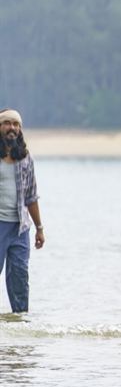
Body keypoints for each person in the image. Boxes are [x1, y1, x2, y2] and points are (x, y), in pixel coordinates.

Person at [0, 109, 45, 314]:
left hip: (20, 229)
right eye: (7, 123)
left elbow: (31, 196)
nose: (12, 128)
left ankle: (20, 330)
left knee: (20, 278)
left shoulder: (25, 159)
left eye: (16, 124)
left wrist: (39, 228)